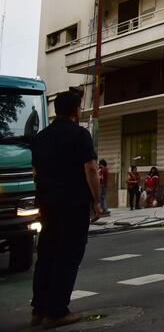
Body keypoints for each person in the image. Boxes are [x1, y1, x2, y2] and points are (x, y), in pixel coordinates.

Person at [30, 90, 100, 328]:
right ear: (75, 110)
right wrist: (97, 201)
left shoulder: (40, 138)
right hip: (73, 204)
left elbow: (35, 174)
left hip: (48, 204)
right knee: (67, 256)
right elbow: (91, 169)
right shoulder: (80, 135)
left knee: (46, 255)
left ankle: (38, 309)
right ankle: (57, 311)